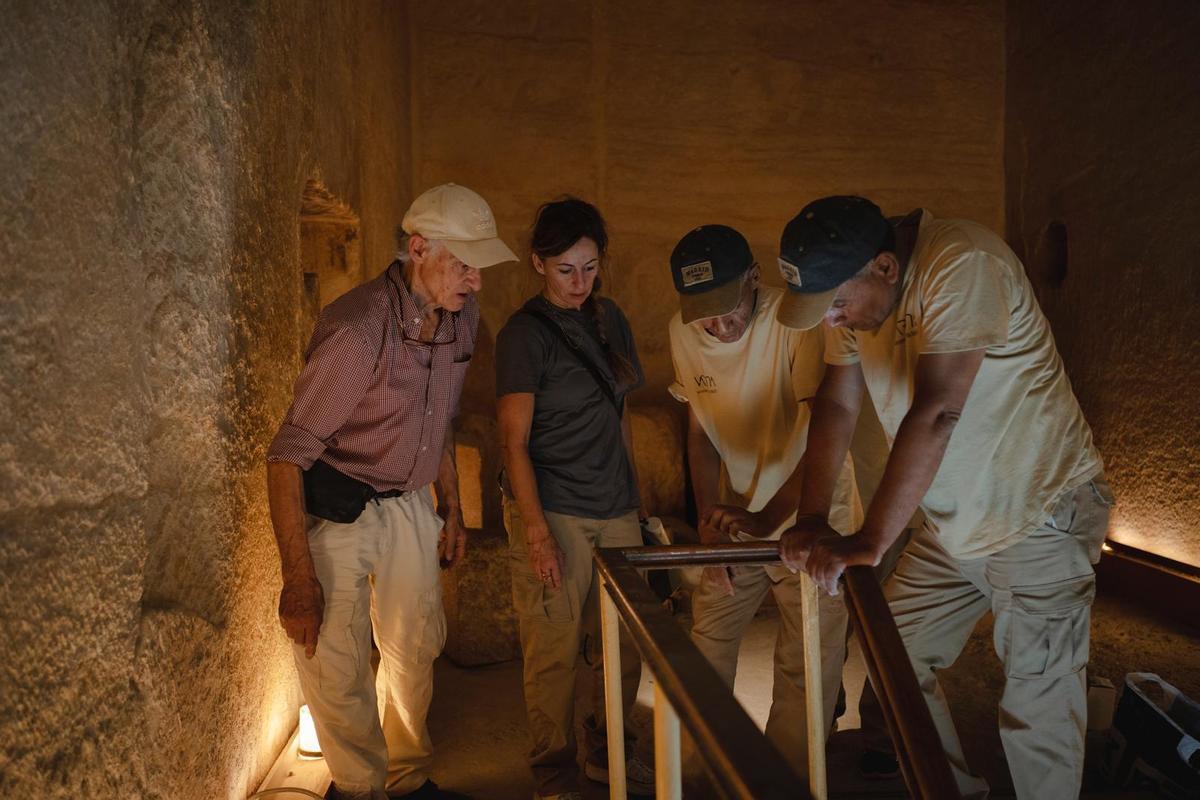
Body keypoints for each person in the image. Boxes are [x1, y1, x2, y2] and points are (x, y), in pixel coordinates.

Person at [775, 196, 1115, 799]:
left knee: (1037, 705)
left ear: (884, 267)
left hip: (1037, 510)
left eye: (835, 304)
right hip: (957, 522)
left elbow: (938, 411)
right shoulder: (860, 307)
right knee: (893, 654)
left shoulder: (961, 261)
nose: (831, 320)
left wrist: (870, 542)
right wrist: (811, 515)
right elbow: (837, 403)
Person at [266, 183, 517, 800]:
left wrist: (451, 508)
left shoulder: (461, 317)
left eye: (479, 266)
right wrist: (297, 578)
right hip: (342, 506)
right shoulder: (358, 329)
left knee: (416, 645)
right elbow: (285, 456)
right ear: (418, 248)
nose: (476, 280)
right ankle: (358, 788)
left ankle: (407, 778)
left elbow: (440, 417)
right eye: (464, 264)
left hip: (408, 502)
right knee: (335, 660)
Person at [665, 224, 862, 781]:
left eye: (729, 308)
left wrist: (769, 520)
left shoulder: (795, 321)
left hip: (813, 508)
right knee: (707, 641)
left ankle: (787, 782)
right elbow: (700, 435)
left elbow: (823, 430)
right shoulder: (682, 334)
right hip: (738, 512)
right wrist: (709, 525)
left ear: (755, 277)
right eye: (703, 313)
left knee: (808, 659)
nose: (719, 326)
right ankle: (692, 781)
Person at [495, 197, 655, 800]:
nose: (579, 283)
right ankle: (554, 771)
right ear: (538, 263)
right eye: (566, 269)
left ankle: (610, 752)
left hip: (614, 506)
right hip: (555, 506)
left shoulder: (610, 317)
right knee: (555, 650)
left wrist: (634, 497)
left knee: (623, 644)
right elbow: (513, 443)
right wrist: (535, 531)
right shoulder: (522, 336)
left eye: (589, 267)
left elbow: (621, 415)